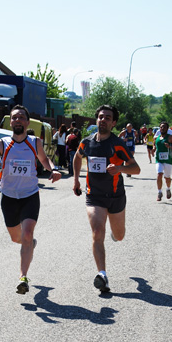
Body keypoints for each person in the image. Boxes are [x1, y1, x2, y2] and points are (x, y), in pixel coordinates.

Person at [0, 105, 61, 294]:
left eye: (21, 117)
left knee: (26, 234)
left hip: (30, 195)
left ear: (27, 122)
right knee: (16, 238)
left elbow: (44, 160)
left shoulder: (35, 142)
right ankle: (29, 244)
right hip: (9, 197)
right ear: (11, 122)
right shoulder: (1, 143)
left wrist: (54, 169)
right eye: (14, 118)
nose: (17, 120)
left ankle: (23, 277)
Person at [73, 105, 140, 293]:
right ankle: (102, 275)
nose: (103, 120)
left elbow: (136, 168)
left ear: (114, 123)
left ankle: (115, 234)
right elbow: (77, 157)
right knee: (97, 232)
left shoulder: (118, 144)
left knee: (119, 236)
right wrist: (77, 179)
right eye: (101, 117)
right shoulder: (86, 143)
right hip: (94, 196)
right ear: (97, 119)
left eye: (108, 118)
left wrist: (119, 169)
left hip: (116, 196)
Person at [154, 121, 172, 201]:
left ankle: (168, 189)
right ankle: (159, 192)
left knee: (167, 177)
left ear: (167, 129)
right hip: (159, 160)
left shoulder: (170, 137)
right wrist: (154, 149)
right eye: (161, 127)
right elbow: (155, 145)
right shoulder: (157, 138)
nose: (162, 128)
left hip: (168, 160)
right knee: (159, 174)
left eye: (164, 127)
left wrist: (170, 146)